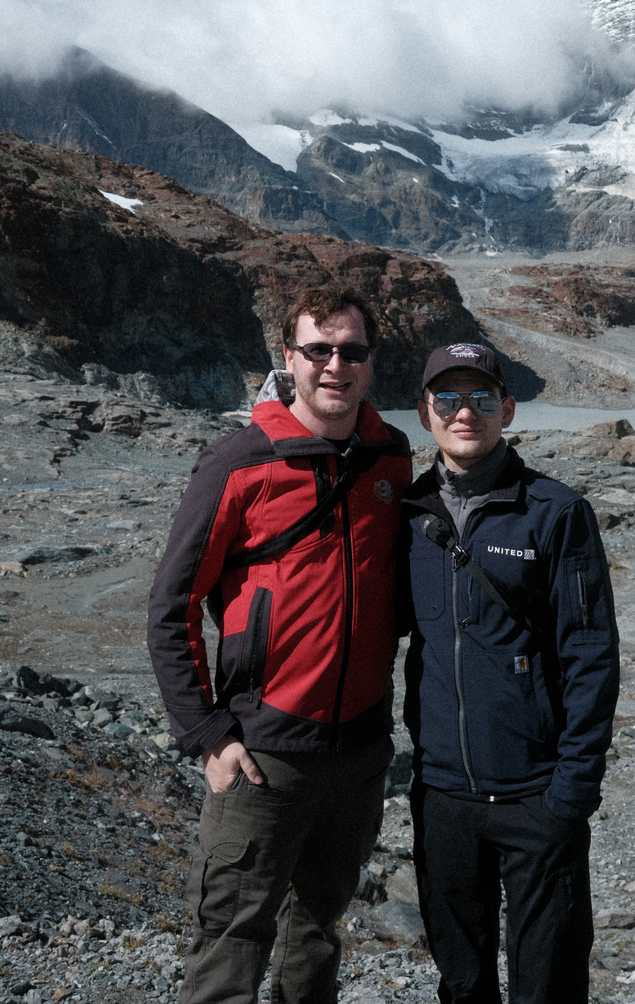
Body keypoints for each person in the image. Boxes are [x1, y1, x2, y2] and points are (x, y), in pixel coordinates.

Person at [147, 285, 412, 1004]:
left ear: (370, 362)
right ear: (288, 359)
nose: (335, 366)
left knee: (319, 932)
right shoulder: (239, 464)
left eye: (350, 351)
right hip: (262, 754)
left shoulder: (391, 461)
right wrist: (207, 733)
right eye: (318, 350)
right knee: (232, 935)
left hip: (357, 755)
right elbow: (172, 605)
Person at [401, 343, 619, 1004]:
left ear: (509, 410)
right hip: (443, 797)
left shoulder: (554, 512)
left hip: (535, 796)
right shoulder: (408, 515)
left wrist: (570, 795)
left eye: (481, 399)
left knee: (547, 987)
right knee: (462, 985)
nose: (464, 413)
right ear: (424, 413)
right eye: (448, 399)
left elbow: (591, 655)